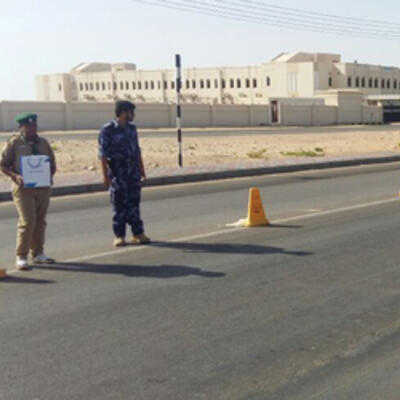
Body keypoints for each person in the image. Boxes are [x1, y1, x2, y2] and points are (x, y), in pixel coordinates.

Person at [0, 112, 56, 270]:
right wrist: (15, 176)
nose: (32, 129)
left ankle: (38, 253)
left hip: (43, 188)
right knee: (28, 220)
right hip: (23, 189)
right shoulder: (15, 143)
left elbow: (52, 163)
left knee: (40, 221)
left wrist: (49, 175)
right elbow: (3, 165)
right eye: (28, 126)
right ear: (21, 127)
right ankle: (21, 255)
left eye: (34, 125)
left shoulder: (43, 143)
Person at [98, 101, 150, 247]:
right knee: (119, 204)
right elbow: (102, 154)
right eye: (130, 112)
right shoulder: (107, 130)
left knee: (134, 203)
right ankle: (119, 235)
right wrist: (105, 176)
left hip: (132, 171)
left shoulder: (132, 129)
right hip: (117, 172)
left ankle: (138, 233)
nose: (133, 115)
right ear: (122, 112)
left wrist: (142, 171)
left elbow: (137, 151)